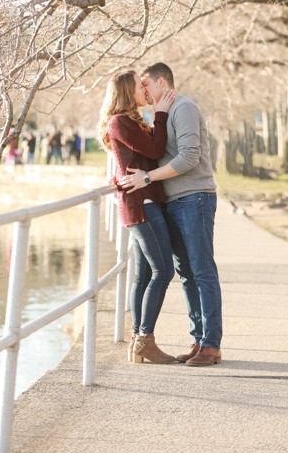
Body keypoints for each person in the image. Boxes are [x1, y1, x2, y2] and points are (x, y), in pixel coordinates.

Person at [119, 62, 224, 367]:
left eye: (146, 85)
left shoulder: (184, 108)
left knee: (202, 270)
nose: (144, 91)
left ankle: (212, 344)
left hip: (195, 198)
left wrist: (149, 179)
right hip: (173, 202)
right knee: (186, 273)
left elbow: (190, 157)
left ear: (161, 82)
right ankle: (198, 339)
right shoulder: (160, 114)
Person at [97, 70, 178, 364]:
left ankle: (137, 342)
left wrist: (118, 178)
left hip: (144, 202)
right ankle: (145, 338)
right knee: (163, 272)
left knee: (144, 274)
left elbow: (141, 159)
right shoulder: (121, 122)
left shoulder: (131, 122)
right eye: (139, 85)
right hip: (142, 206)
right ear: (126, 92)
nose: (145, 88)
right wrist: (160, 114)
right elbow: (156, 150)